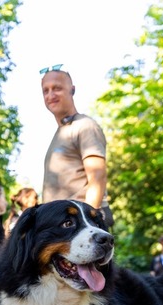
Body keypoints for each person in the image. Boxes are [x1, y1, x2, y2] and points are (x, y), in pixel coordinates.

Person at [40, 65, 109, 224]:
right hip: (62, 227)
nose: (51, 95)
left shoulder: (84, 126)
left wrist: (86, 226)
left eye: (57, 88)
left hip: (78, 228)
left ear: (72, 90)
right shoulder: (60, 132)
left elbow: (98, 177)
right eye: (46, 90)